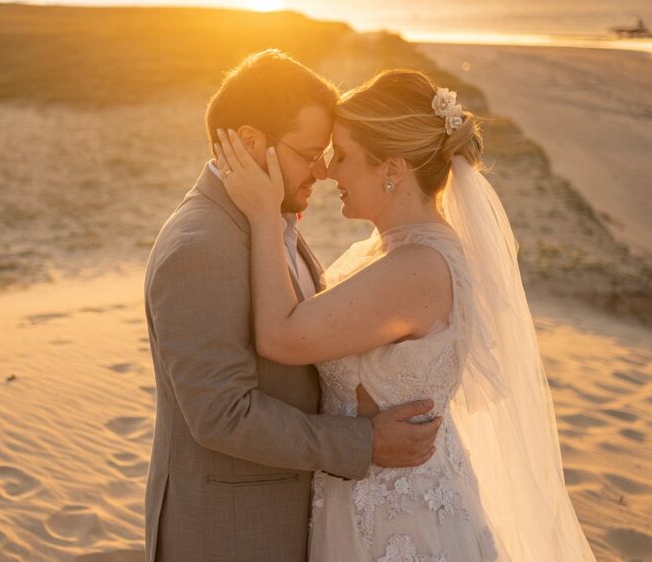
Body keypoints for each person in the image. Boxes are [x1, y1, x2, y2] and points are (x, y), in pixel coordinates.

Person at [215, 69, 597, 561]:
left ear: (392, 168)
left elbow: (280, 338)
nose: (328, 171)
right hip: (362, 501)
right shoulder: (387, 253)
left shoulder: (417, 268)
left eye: (343, 155)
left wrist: (265, 215)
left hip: (398, 521)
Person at [143, 51, 441, 562]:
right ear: (251, 143)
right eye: (309, 153)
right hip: (230, 536)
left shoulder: (269, 222)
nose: (322, 170)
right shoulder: (199, 248)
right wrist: (363, 443)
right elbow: (221, 415)